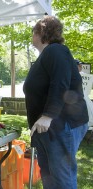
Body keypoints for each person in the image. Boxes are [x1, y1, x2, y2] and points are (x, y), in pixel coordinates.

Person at [23, 16, 88, 189]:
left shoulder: (55, 50)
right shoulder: (49, 54)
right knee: (49, 176)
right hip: (49, 128)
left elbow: (60, 83)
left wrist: (48, 115)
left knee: (60, 178)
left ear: (41, 32)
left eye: (33, 32)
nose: (32, 36)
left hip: (60, 124)